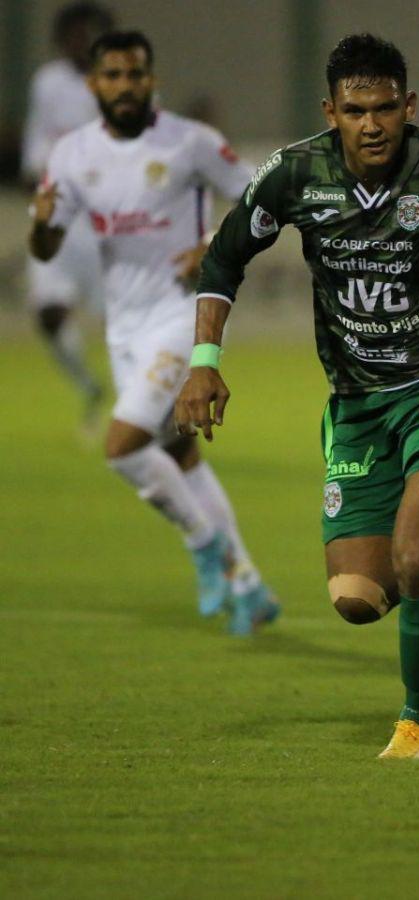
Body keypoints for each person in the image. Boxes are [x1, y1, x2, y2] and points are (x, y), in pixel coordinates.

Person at [174, 34, 419, 759]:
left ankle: (417, 724)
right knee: (359, 600)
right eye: (354, 110)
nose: (371, 124)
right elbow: (224, 257)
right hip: (357, 401)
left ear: (409, 106)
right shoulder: (296, 173)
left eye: (384, 108)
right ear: (330, 111)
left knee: (413, 556)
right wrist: (204, 359)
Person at [28, 30, 276, 636]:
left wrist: (213, 242)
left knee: (122, 446)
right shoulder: (71, 153)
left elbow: (261, 198)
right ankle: (247, 583)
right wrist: (39, 228)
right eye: (112, 75)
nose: (125, 86)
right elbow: (46, 243)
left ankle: (203, 543)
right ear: (94, 85)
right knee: (177, 453)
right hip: (124, 327)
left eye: (135, 74)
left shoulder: (189, 142)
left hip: (179, 315)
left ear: (151, 78)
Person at [21, 3, 113, 437]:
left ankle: (151, 408)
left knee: (120, 325)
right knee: (49, 314)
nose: (80, 42)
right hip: (56, 213)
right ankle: (91, 387)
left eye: (88, 34)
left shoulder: (119, 83)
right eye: (73, 34)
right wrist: (33, 168)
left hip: (104, 221)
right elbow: (39, 136)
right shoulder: (48, 82)